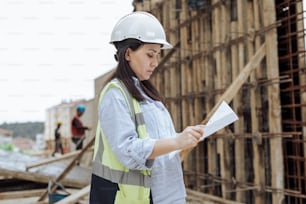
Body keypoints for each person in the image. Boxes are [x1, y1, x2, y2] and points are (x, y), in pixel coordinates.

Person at [89, 11, 203, 204]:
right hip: (132, 197)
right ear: (127, 54)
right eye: (150, 54)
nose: (155, 63)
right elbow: (128, 149)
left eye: (158, 55)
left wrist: (185, 139)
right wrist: (177, 141)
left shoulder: (148, 95)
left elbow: (161, 143)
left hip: (166, 193)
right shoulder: (115, 94)